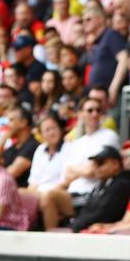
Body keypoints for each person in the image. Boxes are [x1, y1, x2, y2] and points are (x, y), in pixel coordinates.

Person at [37, 98, 121, 229]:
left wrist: (75, 170)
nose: (94, 114)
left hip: (91, 194)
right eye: (90, 110)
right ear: (80, 114)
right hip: (72, 192)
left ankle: (51, 240)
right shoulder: (77, 142)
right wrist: (79, 171)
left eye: (98, 110)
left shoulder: (109, 135)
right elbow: (67, 174)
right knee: (40, 194)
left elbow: (93, 171)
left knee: (48, 195)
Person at [68, 147, 130, 233]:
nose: (96, 168)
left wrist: (76, 226)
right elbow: (87, 211)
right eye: (94, 164)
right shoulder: (102, 184)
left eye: (100, 163)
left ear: (115, 164)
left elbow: (104, 215)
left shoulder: (121, 184)